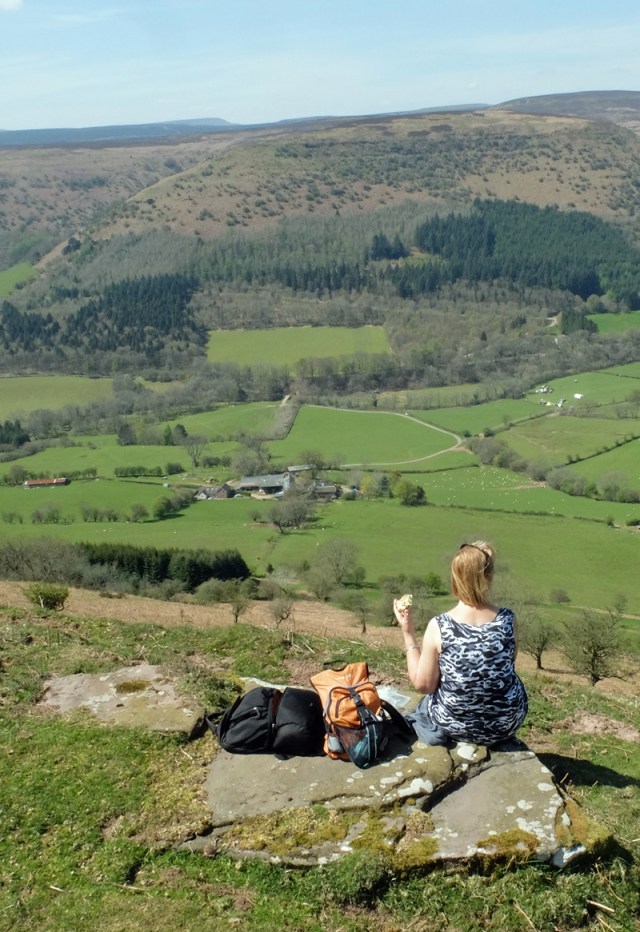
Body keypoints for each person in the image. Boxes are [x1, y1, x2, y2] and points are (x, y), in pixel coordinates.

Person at [393, 540, 528, 746]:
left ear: (455, 577)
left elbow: (423, 685)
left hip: (454, 726)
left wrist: (408, 634)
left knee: (423, 706)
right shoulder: (508, 619)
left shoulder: (440, 625)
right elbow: (507, 664)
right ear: (489, 577)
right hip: (506, 724)